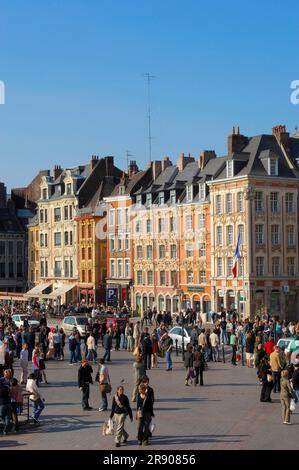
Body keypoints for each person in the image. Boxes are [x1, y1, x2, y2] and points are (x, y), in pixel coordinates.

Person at [137, 382, 154, 446]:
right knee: (140, 427)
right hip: (141, 413)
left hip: (147, 413)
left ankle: (144, 439)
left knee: (147, 427)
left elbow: (150, 405)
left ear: (143, 389)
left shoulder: (148, 396)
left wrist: (152, 413)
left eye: (140, 389)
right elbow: (138, 405)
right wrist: (137, 413)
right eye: (139, 390)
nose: (139, 391)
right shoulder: (138, 396)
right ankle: (139, 439)